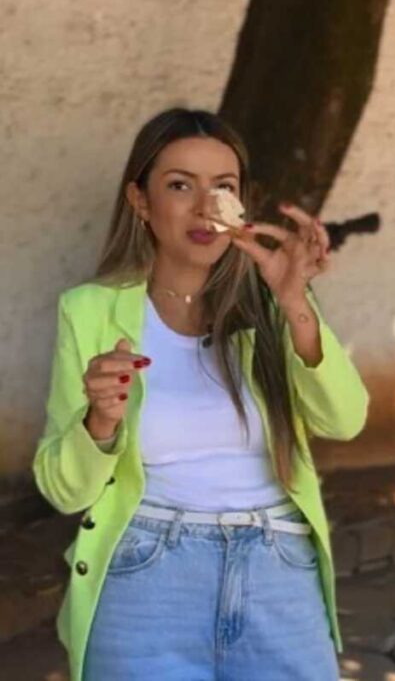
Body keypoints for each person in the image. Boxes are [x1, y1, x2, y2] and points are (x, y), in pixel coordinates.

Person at [33, 108, 369, 681]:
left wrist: (296, 306)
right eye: (180, 185)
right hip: (146, 574)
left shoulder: (271, 305)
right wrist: (100, 423)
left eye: (223, 187)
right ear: (140, 201)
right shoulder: (88, 311)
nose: (204, 207)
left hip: (278, 569)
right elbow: (64, 491)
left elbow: (344, 420)